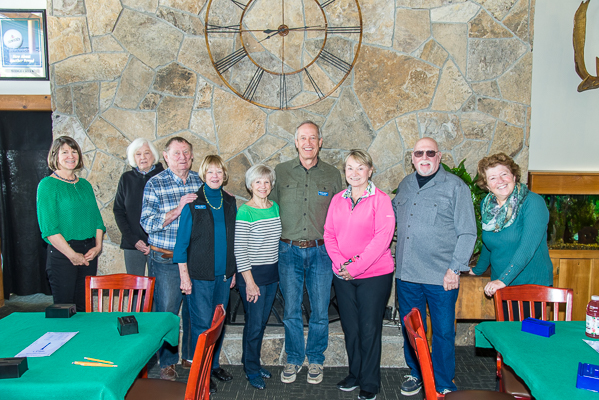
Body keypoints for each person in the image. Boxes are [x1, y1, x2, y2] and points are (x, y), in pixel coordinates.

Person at [392, 137, 476, 395]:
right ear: (412, 157)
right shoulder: (405, 185)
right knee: (412, 330)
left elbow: (468, 233)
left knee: (442, 332)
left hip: (442, 277)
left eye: (430, 152)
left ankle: (442, 382)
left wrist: (455, 268)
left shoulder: (455, 187)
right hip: (407, 275)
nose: (424, 157)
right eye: (419, 153)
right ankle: (417, 373)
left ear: (439, 156)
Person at [269, 120, 343, 385]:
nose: (308, 143)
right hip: (287, 251)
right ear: (296, 142)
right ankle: (293, 358)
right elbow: (269, 207)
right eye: (303, 138)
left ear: (320, 142)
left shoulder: (333, 174)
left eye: (313, 138)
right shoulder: (281, 171)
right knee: (290, 309)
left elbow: (342, 213)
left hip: (322, 252)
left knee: (320, 310)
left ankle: (316, 360)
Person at [323, 150, 395, 400]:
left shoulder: (381, 200)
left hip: (374, 275)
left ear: (370, 170)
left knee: (369, 328)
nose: (354, 173)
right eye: (349, 168)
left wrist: (354, 268)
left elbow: (381, 240)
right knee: (351, 328)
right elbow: (329, 234)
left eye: (360, 167)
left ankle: (370, 382)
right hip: (342, 275)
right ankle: (354, 374)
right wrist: (341, 264)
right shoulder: (337, 200)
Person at [173, 155, 236, 392]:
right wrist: (184, 276)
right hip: (199, 276)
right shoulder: (193, 201)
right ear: (203, 174)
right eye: (210, 172)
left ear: (224, 175)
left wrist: (234, 272)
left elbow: (233, 240)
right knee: (201, 326)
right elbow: (181, 245)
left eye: (219, 171)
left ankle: (215, 364)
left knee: (218, 323)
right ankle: (202, 372)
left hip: (224, 276)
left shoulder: (230, 202)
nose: (215, 176)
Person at [140, 137, 201, 382]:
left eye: (186, 152)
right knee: (167, 312)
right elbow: (148, 223)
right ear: (166, 156)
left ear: (192, 155)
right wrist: (178, 208)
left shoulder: (200, 180)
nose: (182, 157)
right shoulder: (155, 183)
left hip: (195, 259)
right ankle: (167, 362)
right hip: (165, 259)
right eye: (176, 153)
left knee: (193, 310)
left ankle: (188, 356)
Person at [470, 153, 553, 317]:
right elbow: (489, 243)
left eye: (504, 174)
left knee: (528, 340)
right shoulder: (486, 206)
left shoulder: (532, 202)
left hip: (531, 285)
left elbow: (527, 248)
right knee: (507, 337)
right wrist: (478, 270)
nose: (499, 181)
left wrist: (503, 280)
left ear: (514, 176)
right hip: (503, 286)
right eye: (492, 178)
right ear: (487, 185)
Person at [36, 136, 105, 312]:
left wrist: (97, 247)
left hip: (89, 252)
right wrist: (72, 254)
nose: (71, 156)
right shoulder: (47, 185)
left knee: (84, 309)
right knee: (64, 309)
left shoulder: (85, 185)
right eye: (65, 152)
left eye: (74, 151)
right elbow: (49, 229)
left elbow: (97, 220)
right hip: (63, 254)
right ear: (55, 156)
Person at [234, 164, 282, 390]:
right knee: (253, 325)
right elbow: (239, 250)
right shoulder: (245, 211)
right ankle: (251, 370)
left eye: (266, 181)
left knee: (261, 323)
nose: (262, 186)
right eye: (257, 182)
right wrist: (250, 283)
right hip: (251, 276)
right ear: (250, 185)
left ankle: (250, 361)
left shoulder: (275, 207)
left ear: (271, 184)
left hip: (272, 275)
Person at [113, 139, 164, 276]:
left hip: (159, 245)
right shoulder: (126, 179)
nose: (143, 157)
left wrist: (153, 242)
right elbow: (118, 211)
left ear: (153, 155)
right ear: (133, 158)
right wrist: (134, 240)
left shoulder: (164, 177)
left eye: (147, 153)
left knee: (159, 290)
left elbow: (169, 212)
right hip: (133, 244)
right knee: (135, 290)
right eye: (138, 154)